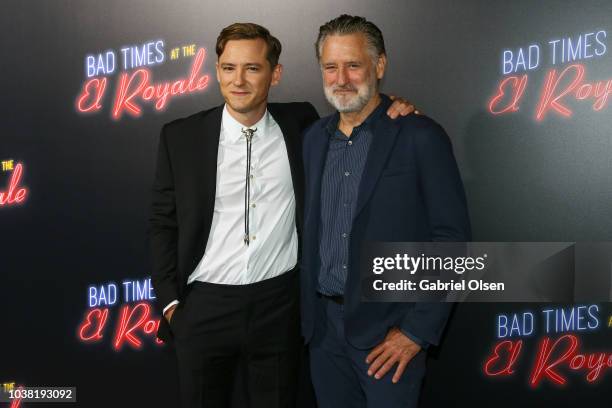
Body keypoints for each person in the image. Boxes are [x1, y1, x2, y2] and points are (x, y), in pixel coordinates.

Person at [149, 22, 415, 408]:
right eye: (228, 68)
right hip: (204, 308)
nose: (238, 80)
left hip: (279, 307)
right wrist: (172, 304)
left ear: (275, 74)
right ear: (217, 70)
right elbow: (161, 223)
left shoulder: (303, 124)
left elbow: (358, 106)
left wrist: (395, 105)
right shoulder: (180, 136)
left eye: (252, 68)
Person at [301, 15, 472, 408]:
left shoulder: (420, 135)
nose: (341, 78)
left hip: (388, 337)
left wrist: (416, 332)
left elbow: (451, 241)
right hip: (323, 335)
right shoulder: (312, 140)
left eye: (353, 64)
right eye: (330, 66)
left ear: (379, 66)